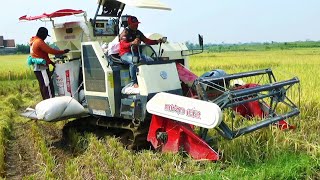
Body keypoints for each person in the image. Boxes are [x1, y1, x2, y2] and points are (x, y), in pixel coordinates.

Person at [119, 16, 163, 91]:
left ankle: (150, 79)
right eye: (134, 24)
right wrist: (132, 43)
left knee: (150, 60)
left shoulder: (138, 32)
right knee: (134, 61)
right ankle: (134, 82)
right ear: (129, 24)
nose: (136, 25)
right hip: (125, 54)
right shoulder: (125, 32)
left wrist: (157, 41)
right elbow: (122, 45)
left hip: (136, 53)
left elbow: (147, 41)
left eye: (137, 24)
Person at [29, 27, 70, 100]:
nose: (45, 37)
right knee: (47, 84)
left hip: (37, 67)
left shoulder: (33, 41)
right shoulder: (39, 42)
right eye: (45, 35)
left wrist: (51, 62)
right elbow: (50, 51)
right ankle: (50, 101)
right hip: (42, 68)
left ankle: (45, 100)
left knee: (42, 84)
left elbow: (42, 55)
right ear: (43, 34)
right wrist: (63, 51)